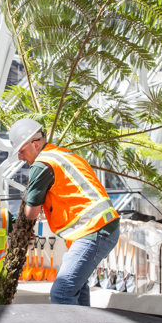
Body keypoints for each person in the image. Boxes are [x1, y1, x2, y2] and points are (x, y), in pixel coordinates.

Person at [11, 118, 120, 306]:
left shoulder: (42, 164)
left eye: (21, 151)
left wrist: (31, 194)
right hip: (99, 228)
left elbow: (30, 213)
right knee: (77, 291)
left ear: (35, 145)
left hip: (94, 231)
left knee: (62, 293)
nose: (20, 158)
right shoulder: (62, 154)